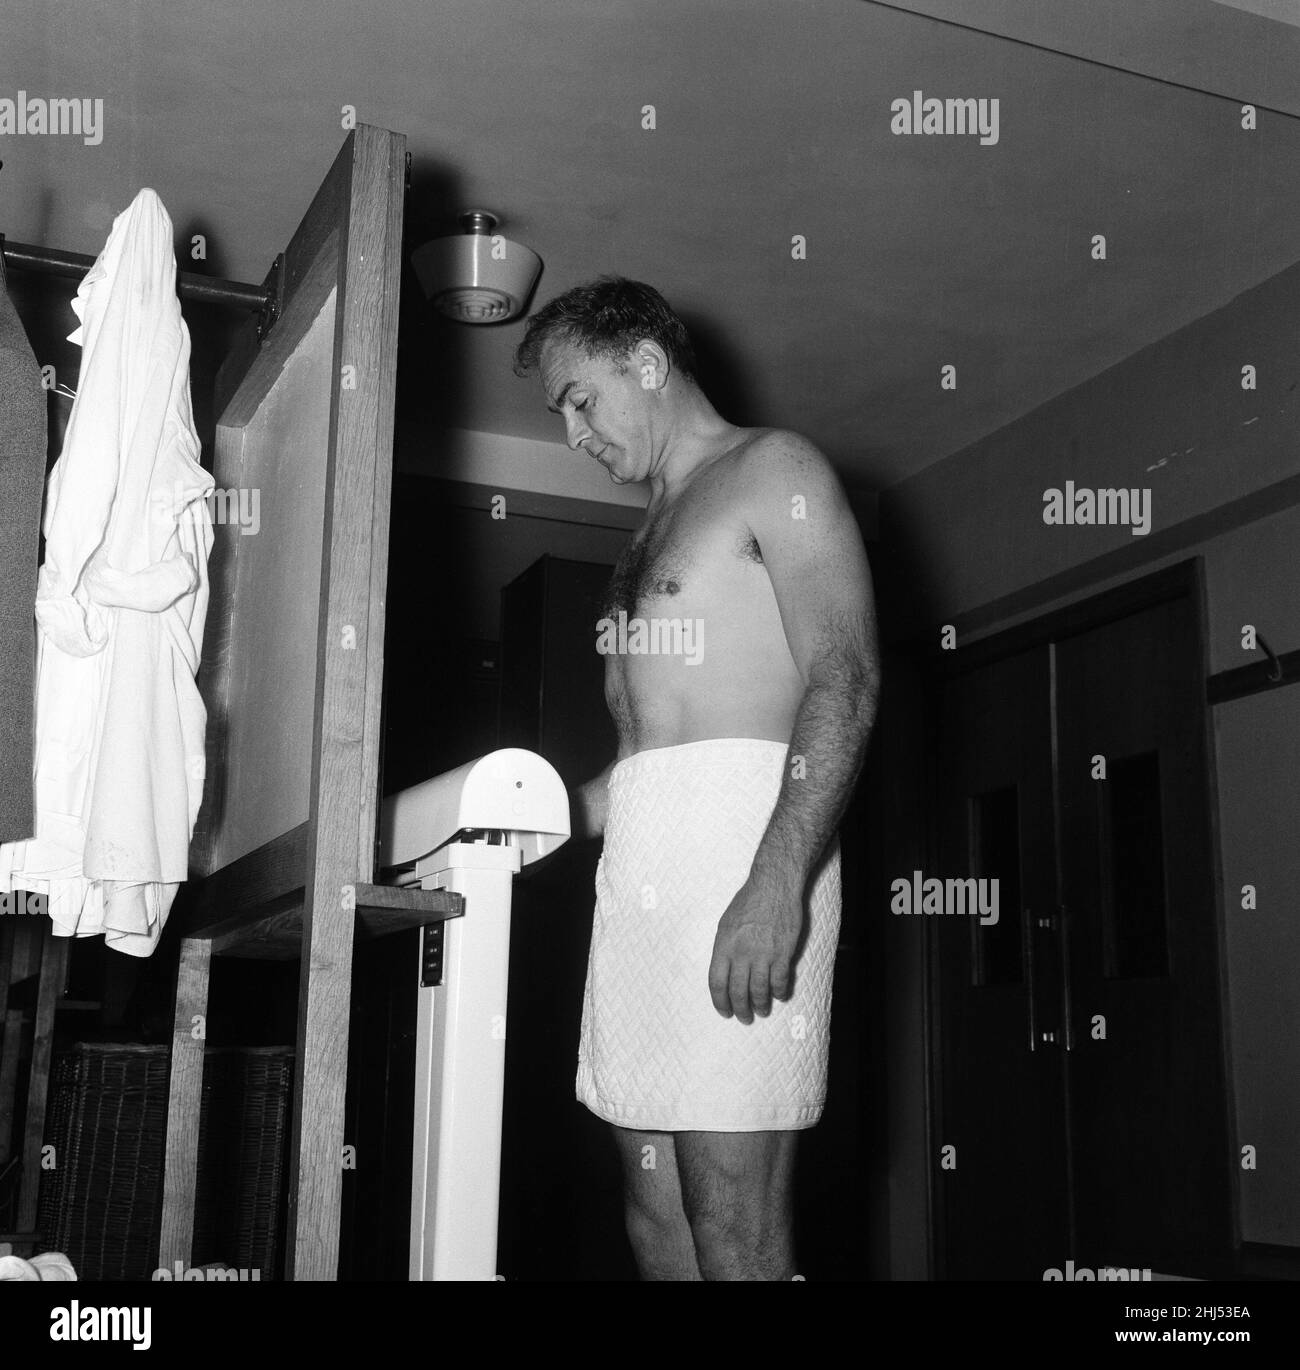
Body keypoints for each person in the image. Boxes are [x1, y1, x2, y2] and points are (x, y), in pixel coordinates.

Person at [514, 278, 879, 1280]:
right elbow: (645, 763)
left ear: (644, 360)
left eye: (580, 399)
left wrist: (776, 883)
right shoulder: (644, 534)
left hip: (747, 861)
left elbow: (844, 681)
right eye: (562, 416)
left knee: (733, 1219)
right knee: (656, 1216)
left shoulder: (774, 468)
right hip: (639, 884)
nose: (575, 433)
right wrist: (516, 818)